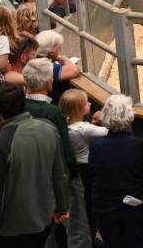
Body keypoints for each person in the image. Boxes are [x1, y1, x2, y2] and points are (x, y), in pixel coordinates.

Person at [0, 83, 69, 248]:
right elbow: (60, 175)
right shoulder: (49, 129)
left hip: (12, 230)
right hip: (44, 221)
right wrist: (62, 208)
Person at [24, 57, 91, 248]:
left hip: (33, 177)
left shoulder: (20, 105)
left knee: (47, 230)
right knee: (76, 225)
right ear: (48, 82)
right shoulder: (52, 112)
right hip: (60, 176)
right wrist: (75, 173)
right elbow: (65, 151)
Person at [89, 95, 143, 248]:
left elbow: (94, 174)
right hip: (134, 208)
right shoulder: (139, 145)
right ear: (129, 117)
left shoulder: (96, 145)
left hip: (105, 207)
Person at [60, 89, 108, 247]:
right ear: (78, 109)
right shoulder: (84, 129)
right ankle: (91, 239)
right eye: (86, 102)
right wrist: (103, 118)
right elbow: (108, 132)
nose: (89, 104)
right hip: (87, 171)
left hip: (75, 168)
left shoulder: (66, 126)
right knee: (90, 207)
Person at [35, 29, 80, 105]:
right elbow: (75, 70)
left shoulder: (34, 61)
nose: (61, 50)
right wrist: (64, 59)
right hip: (56, 105)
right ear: (51, 53)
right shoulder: (49, 67)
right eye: (58, 48)